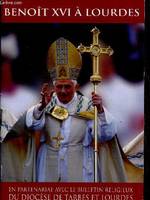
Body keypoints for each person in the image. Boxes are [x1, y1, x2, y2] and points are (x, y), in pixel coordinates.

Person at [25, 37, 129, 182]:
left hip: (79, 166)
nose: (62, 91)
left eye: (67, 86)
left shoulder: (87, 105)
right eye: (59, 86)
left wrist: (100, 111)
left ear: (76, 87)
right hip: (48, 165)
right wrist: (41, 107)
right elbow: (32, 124)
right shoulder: (46, 103)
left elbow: (106, 134)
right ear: (53, 87)